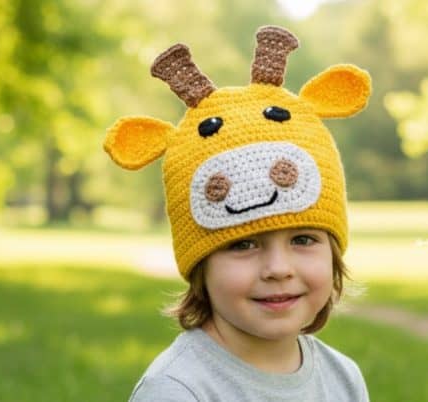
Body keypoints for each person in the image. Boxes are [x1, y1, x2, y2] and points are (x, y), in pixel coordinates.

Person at [104, 25, 372, 402]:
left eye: (303, 239)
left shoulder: (343, 378)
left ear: (333, 253)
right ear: (201, 266)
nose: (278, 268)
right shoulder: (177, 390)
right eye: (243, 244)